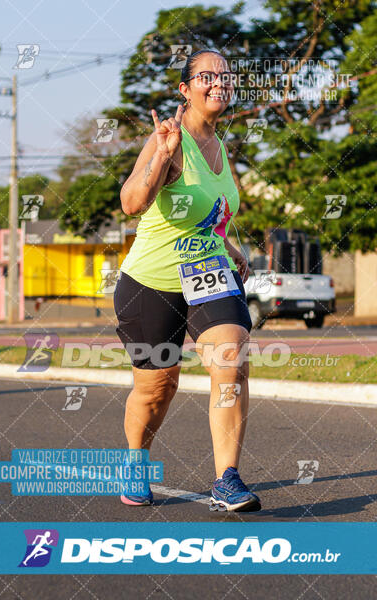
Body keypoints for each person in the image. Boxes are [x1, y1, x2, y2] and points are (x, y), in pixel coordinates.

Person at [114, 49, 261, 512]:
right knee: (157, 387)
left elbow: (212, 215)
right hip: (150, 281)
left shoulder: (221, 146)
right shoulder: (168, 139)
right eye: (206, 76)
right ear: (185, 90)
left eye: (225, 76)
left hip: (206, 272)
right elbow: (131, 203)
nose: (219, 82)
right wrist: (161, 155)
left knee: (231, 356)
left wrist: (229, 248)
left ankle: (227, 479)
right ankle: (136, 462)